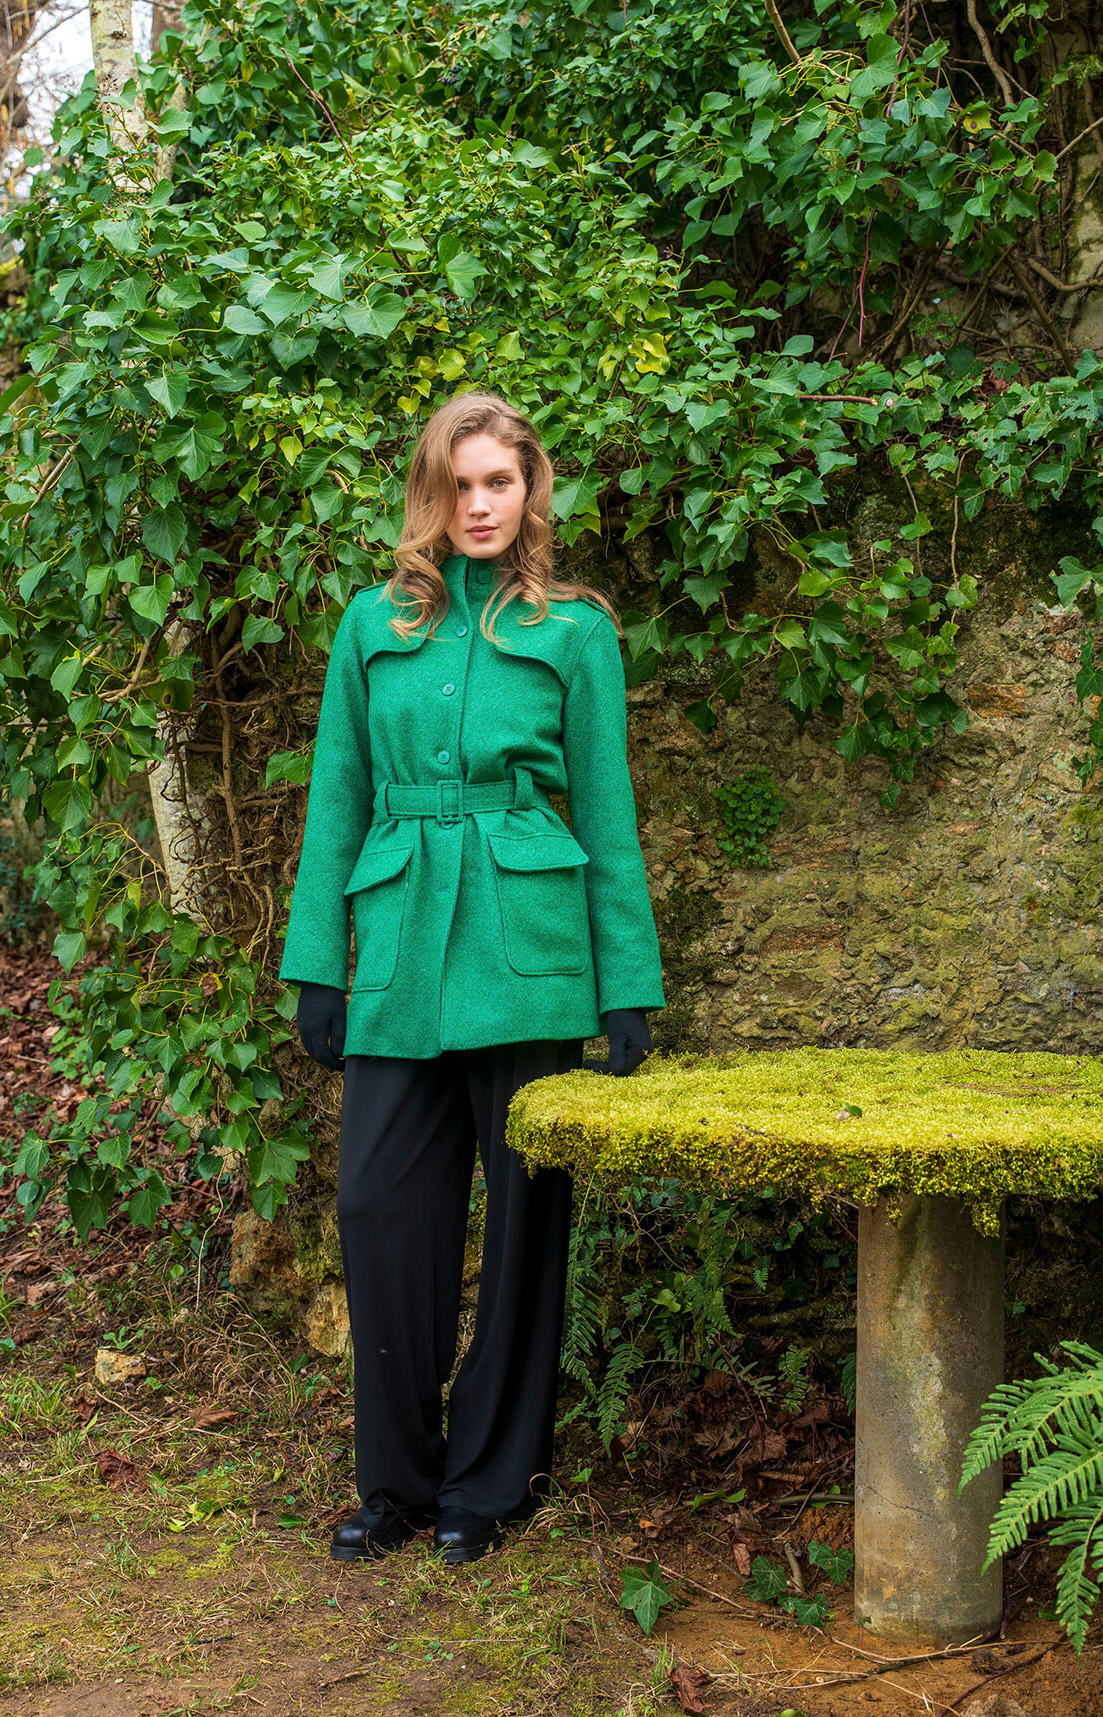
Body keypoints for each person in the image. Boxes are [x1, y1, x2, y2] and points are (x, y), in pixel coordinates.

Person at [279, 390, 665, 1565]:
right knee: (375, 1204)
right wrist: (318, 968)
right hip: (400, 946)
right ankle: (398, 1485)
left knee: (525, 1224)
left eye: (501, 481)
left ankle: (491, 1487)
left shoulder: (574, 633)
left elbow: (607, 812)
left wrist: (627, 984)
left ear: (530, 488)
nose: (482, 504)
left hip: (528, 948)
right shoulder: (373, 624)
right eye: (462, 485)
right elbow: (337, 798)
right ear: (431, 494)